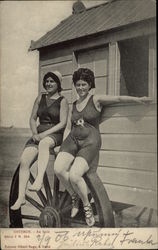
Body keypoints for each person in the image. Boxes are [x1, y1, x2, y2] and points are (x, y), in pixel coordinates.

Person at [54, 67, 151, 227]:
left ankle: (86, 205)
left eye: (84, 84)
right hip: (72, 140)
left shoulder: (96, 99)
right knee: (58, 168)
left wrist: (137, 99)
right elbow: (69, 128)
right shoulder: (74, 103)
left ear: (90, 84)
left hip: (89, 142)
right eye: (77, 85)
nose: (80, 88)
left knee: (74, 175)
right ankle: (75, 195)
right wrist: (63, 146)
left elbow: (118, 98)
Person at [11, 71, 69, 210]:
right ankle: (21, 197)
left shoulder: (63, 101)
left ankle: (39, 180)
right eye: (47, 81)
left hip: (54, 134)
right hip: (39, 133)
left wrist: (44, 135)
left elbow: (62, 123)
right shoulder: (40, 98)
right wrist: (35, 133)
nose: (48, 84)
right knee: (25, 160)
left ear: (58, 84)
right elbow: (32, 118)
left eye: (52, 81)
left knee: (44, 143)